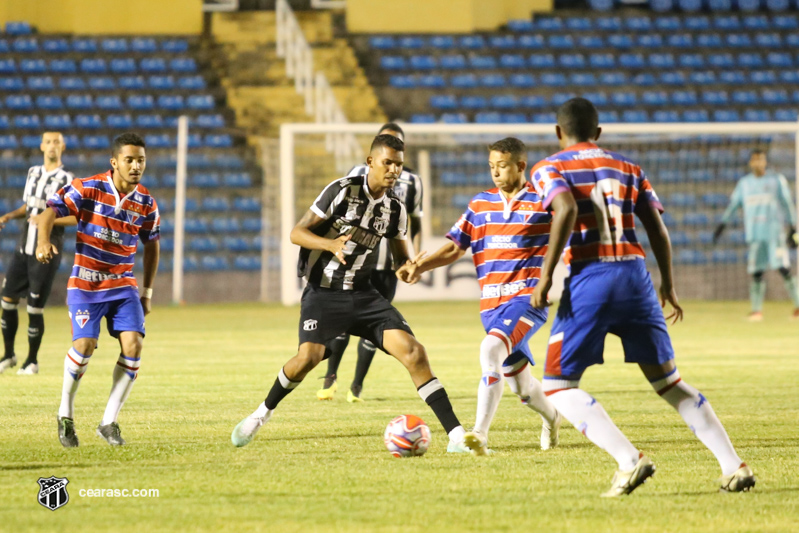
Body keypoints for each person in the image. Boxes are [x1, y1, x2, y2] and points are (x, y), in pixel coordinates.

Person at [529, 98, 754, 496]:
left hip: (591, 277)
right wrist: (667, 283)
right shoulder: (630, 168)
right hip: (636, 277)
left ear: (558, 132)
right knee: (668, 381)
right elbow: (658, 230)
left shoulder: (550, 166)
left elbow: (563, 208)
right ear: (598, 133)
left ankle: (629, 460)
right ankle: (733, 466)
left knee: (558, 386)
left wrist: (545, 278)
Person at [231, 134, 467, 452]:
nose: (394, 170)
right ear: (370, 162)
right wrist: (330, 243)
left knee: (415, 353)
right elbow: (296, 232)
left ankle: (456, 437)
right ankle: (260, 415)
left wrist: (411, 269)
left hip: (364, 294)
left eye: (398, 164)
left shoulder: (395, 209)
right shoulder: (341, 191)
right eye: (387, 163)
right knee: (308, 358)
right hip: (324, 293)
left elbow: (400, 260)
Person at [396, 137, 561, 456]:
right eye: (491, 167)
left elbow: (571, 223)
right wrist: (420, 267)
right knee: (521, 387)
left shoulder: (544, 202)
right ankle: (552, 417)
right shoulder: (480, 205)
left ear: (520, 166)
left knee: (490, 349)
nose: (496, 173)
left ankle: (478, 435)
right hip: (492, 306)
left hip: (527, 299)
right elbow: (456, 246)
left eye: (502, 166)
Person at [35, 132, 160, 448]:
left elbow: (152, 244)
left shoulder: (146, 202)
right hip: (86, 285)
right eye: (129, 160)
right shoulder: (87, 188)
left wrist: (146, 291)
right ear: (114, 162)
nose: (135, 166)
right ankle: (65, 413)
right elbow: (49, 212)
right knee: (86, 345)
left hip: (123, 287)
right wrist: (43, 241)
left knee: (134, 347)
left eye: (140, 160)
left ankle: (109, 421)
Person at [318, 122, 424, 403]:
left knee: (375, 329)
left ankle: (356, 386)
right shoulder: (356, 174)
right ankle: (330, 379)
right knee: (341, 324)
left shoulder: (413, 181)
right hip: (356, 263)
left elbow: (416, 221)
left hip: (388, 267)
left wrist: (414, 259)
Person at [0, 132, 76, 374]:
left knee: (34, 307)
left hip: (46, 252)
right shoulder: (33, 172)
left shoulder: (68, 179)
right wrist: (10, 215)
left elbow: (76, 216)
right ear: (42, 145)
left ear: (63, 147)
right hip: (23, 248)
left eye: (57, 142)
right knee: (7, 301)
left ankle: (32, 360)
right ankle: (9, 354)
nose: (52, 146)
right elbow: (29, 205)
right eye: (48, 141)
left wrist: (48, 219)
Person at [713, 149, 799, 321]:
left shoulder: (776, 180)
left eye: (761, 160)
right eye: (755, 160)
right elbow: (733, 205)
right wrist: (722, 224)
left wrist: (793, 227)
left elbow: (788, 203)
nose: (758, 163)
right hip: (755, 235)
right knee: (756, 272)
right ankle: (756, 311)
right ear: (751, 163)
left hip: (775, 234)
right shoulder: (744, 184)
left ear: (765, 162)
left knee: (783, 269)